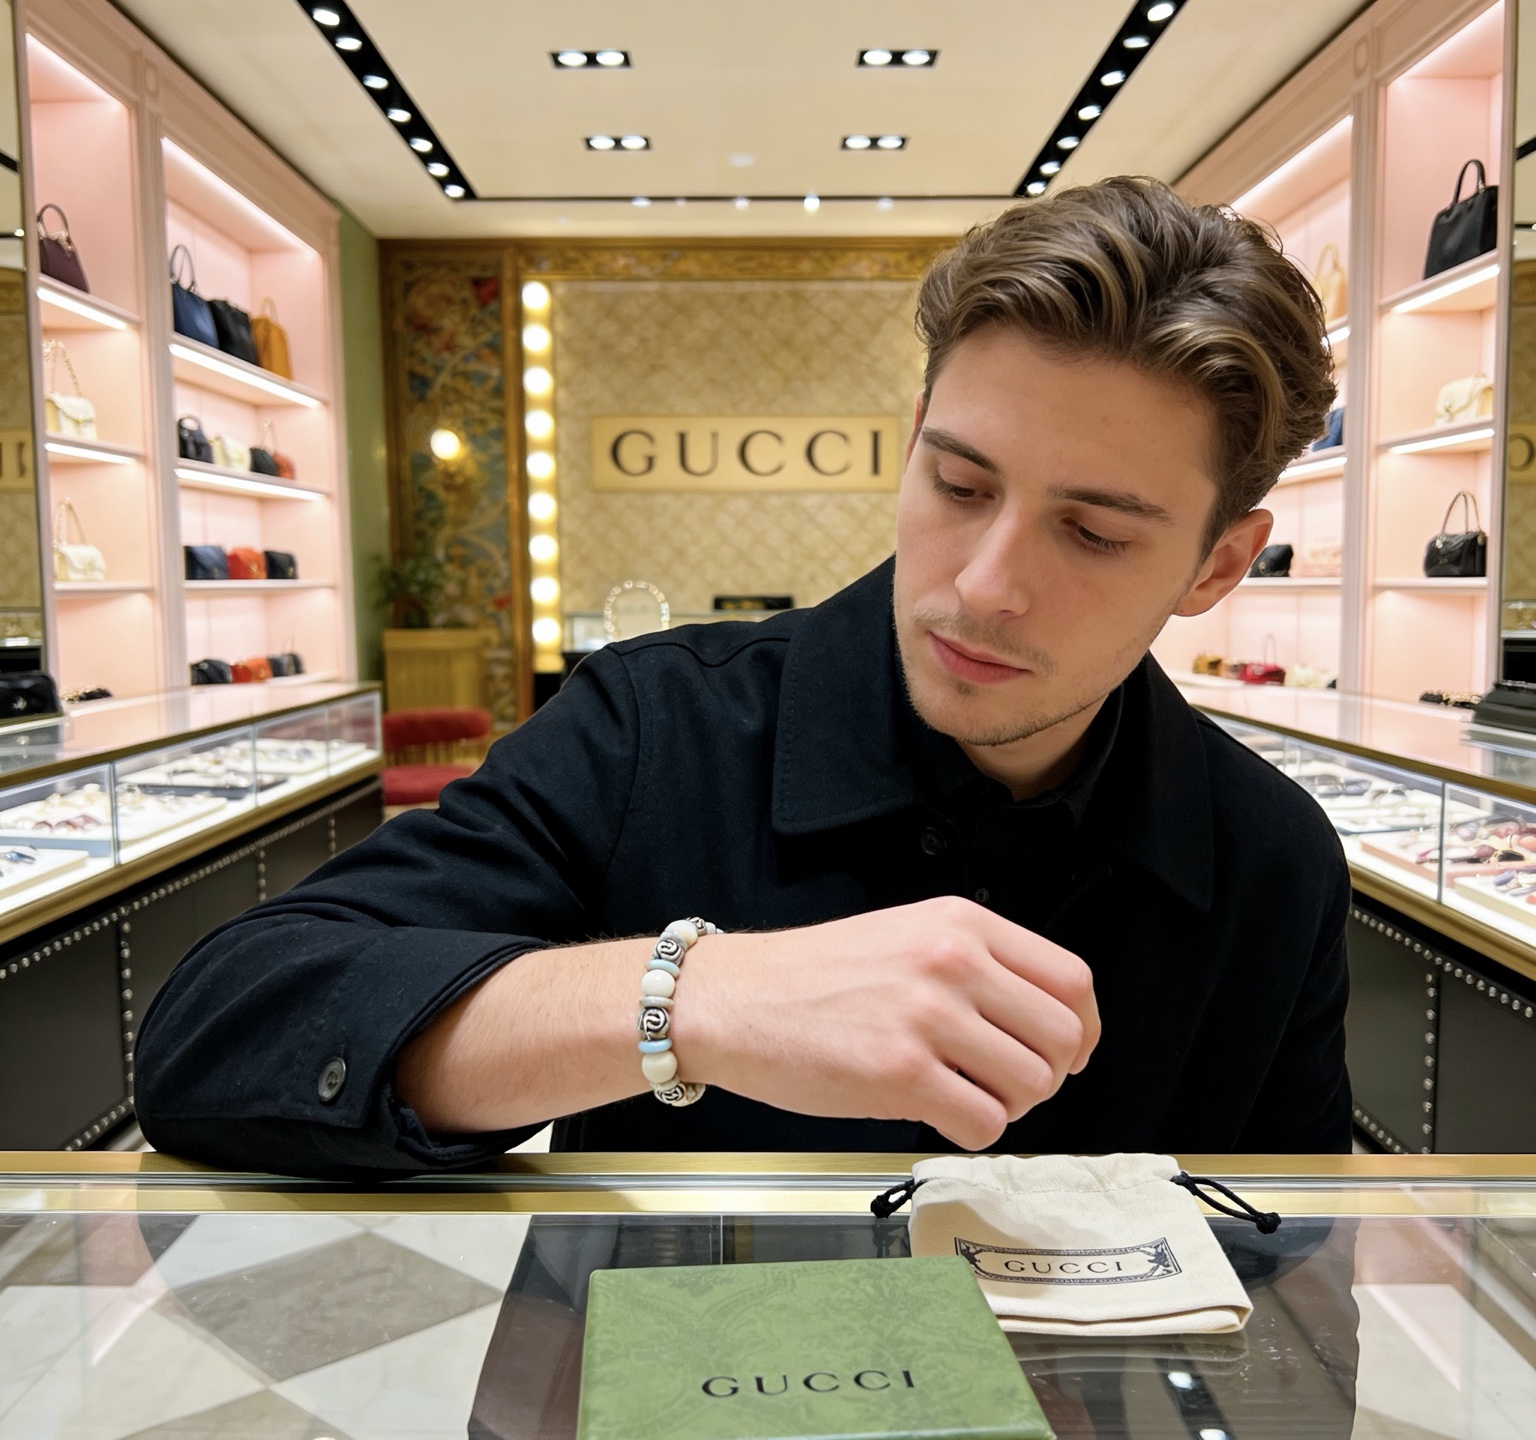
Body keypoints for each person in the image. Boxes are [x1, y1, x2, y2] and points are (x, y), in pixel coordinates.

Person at [135, 177, 1348, 1178]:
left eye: (1093, 532)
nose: (985, 585)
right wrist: (693, 998)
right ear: (916, 436)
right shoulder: (650, 728)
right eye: (959, 484)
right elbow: (225, 1033)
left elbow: (1296, 1278)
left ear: (1218, 564)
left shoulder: (1271, 858)